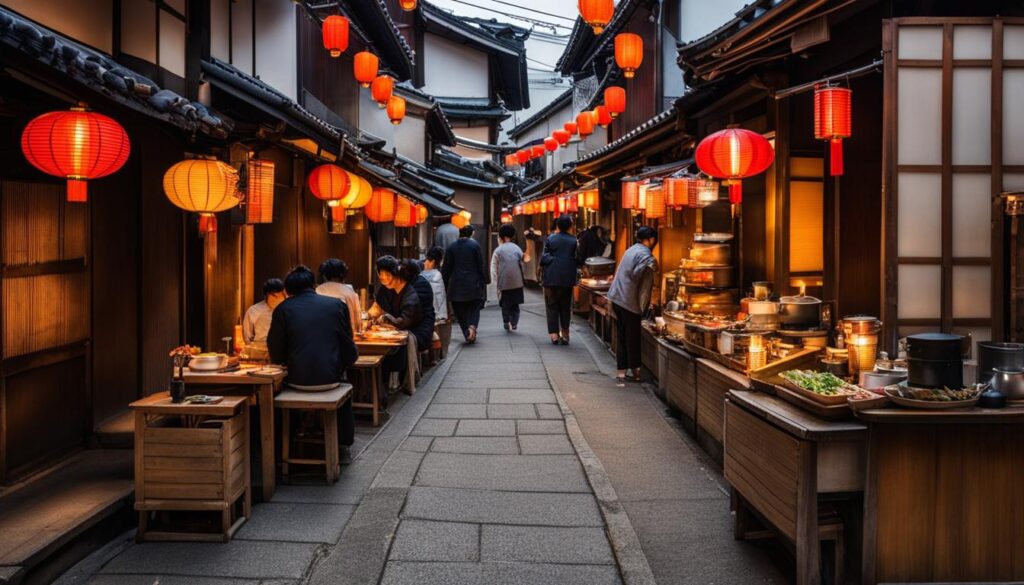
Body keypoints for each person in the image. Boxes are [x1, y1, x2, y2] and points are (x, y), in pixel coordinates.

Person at [267, 266, 359, 463]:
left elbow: (275, 352)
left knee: (275, 391)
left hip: (297, 380)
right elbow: (347, 344)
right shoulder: (336, 305)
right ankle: (342, 444)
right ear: (313, 285)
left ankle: (287, 446)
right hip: (331, 378)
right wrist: (346, 362)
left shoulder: (282, 309)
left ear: (288, 290)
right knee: (345, 385)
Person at [371, 256, 435, 389]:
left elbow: (408, 318)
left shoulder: (415, 288)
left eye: (388, 274)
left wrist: (389, 320)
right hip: (401, 325)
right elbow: (377, 307)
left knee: (396, 347)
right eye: (381, 274)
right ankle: (382, 383)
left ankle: (392, 382)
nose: (385, 278)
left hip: (418, 326)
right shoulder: (389, 287)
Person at [606, 226, 659, 382]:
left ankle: (621, 371)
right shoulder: (645, 255)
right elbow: (637, 275)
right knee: (633, 338)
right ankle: (636, 373)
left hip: (616, 297)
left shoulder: (631, 249)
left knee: (622, 336)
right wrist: (652, 267)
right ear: (650, 239)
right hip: (629, 301)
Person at [442, 224, 487, 343]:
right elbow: (480, 265)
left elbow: (446, 268)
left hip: (456, 285)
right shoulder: (475, 245)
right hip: (473, 283)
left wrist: (444, 284)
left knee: (459, 311)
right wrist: (484, 281)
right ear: (472, 233)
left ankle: (467, 333)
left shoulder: (451, 247)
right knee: (474, 307)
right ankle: (472, 327)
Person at [541, 214, 578, 345]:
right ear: (570, 226)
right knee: (565, 306)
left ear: (557, 225)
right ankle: (566, 333)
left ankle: (554, 335)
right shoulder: (574, 241)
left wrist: (554, 260)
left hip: (551, 276)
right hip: (567, 278)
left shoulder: (551, 239)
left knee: (551, 305)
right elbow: (577, 259)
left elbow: (543, 258)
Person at [490, 224, 525, 331]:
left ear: (501, 237)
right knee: (515, 304)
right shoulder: (517, 249)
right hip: (517, 282)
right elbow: (522, 265)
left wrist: (495, 281)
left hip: (504, 282)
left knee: (505, 304)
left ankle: (506, 321)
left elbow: (493, 266)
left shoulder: (498, 250)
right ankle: (514, 322)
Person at [316, 258, 361, 336]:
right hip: (346, 337)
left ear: (324, 275)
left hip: (321, 336)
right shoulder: (350, 292)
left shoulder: (318, 290)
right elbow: (357, 321)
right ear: (342, 275)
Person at [422, 246, 451, 357]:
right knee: (434, 332)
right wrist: (443, 314)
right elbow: (440, 297)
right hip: (435, 311)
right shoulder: (437, 275)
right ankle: (434, 356)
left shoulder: (422, 273)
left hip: (425, 310)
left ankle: (430, 355)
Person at [242, 278, 286, 348]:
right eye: (274, 296)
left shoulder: (287, 310)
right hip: (259, 350)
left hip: (282, 350)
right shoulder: (253, 310)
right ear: (265, 296)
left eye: (280, 297)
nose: (277, 300)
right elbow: (247, 336)